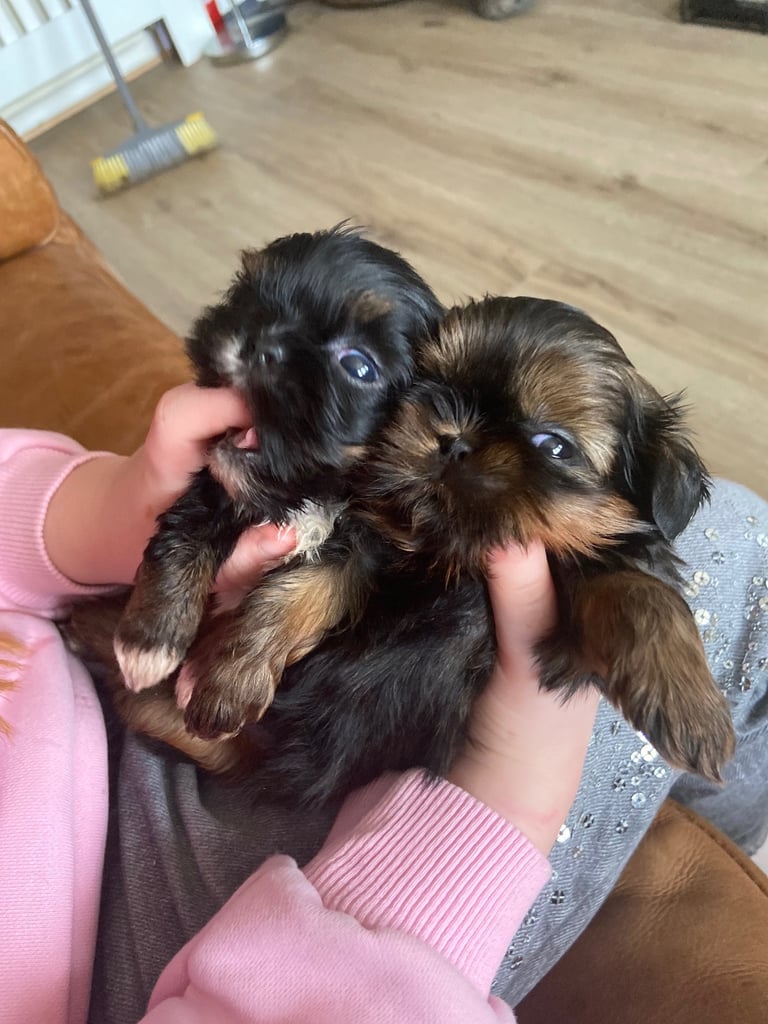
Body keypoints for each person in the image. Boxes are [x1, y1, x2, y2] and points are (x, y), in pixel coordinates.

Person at [1, 385, 766, 1022]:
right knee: (727, 542)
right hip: (211, 961)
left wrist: (102, 516)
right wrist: (490, 813)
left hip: (108, 685)